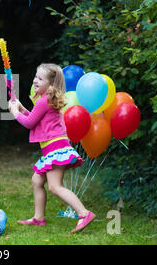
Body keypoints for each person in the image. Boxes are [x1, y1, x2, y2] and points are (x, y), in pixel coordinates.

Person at [8, 63, 95, 233]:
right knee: (37, 180)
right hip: (53, 149)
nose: (35, 81)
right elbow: (34, 117)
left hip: (56, 150)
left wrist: (14, 113)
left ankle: (84, 213)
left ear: (51, 85)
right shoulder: (46, 100)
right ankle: (39, 218)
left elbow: (29, 122)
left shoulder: (44, 101)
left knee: (55, 186)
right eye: (35, 76)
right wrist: (20, 107)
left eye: (40, 78)